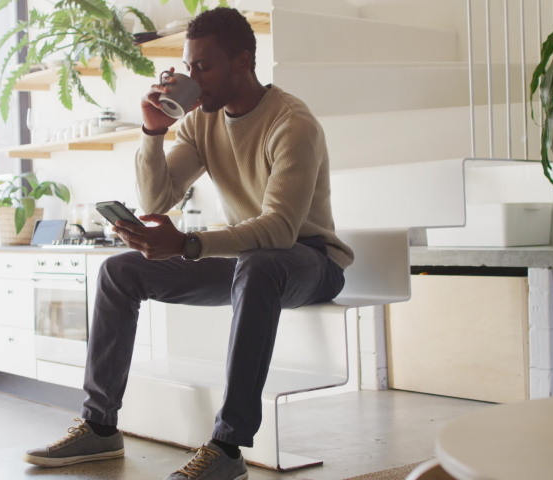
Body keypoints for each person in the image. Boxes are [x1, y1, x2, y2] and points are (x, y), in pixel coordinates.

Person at [22, 7, 353, 480]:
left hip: (310, 262)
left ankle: (229, 446)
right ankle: (99, 428)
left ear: (242, 62)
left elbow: (279, 231)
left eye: (204, 66)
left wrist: (187, 244)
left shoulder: (291, 123)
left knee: (261, 265)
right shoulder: (202, 122)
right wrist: (153, 132)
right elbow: (157, 199)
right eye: (188, 66)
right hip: (245, 261)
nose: (192, 77)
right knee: (120, 271)